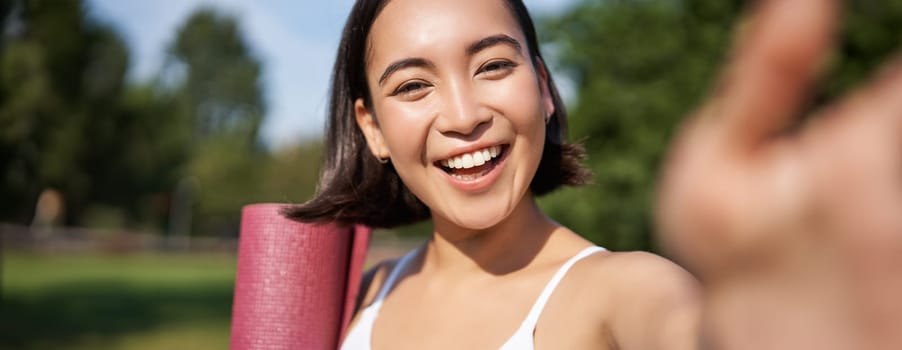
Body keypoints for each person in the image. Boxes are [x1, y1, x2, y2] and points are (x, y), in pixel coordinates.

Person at [287, 0, 902, 349]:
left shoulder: (621, 291)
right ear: (372, 128)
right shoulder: (360, 294)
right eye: (415, 85)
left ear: (544, 88)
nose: (466, 115)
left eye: (494, 66)